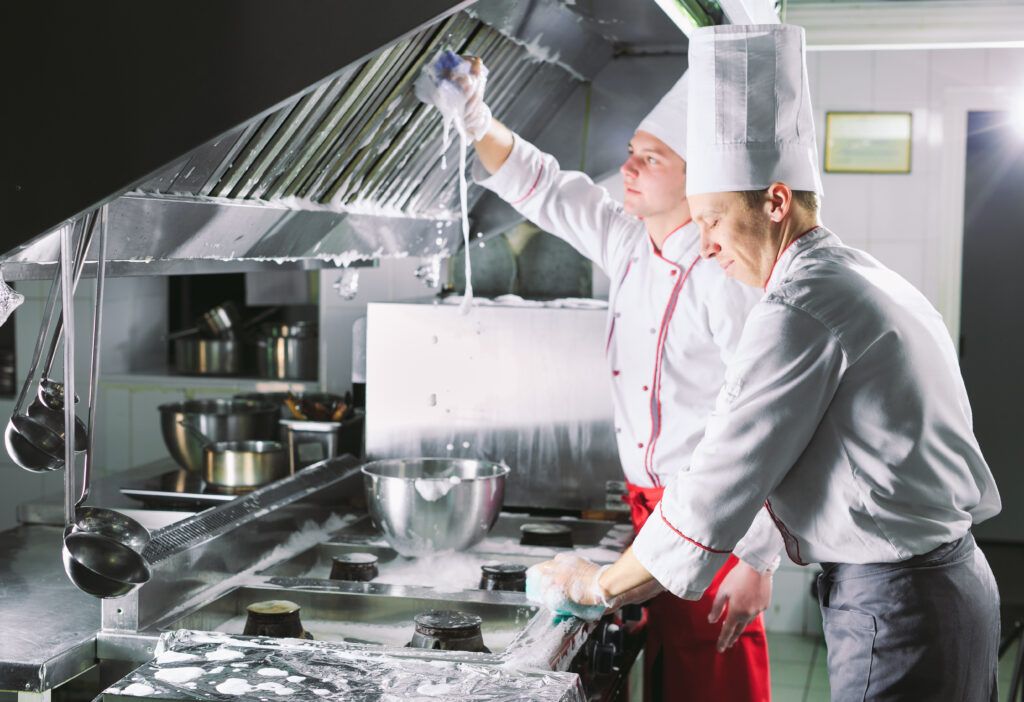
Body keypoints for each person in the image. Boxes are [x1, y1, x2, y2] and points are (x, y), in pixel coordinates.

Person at [531, 23, 1003, 702]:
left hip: (900, 602)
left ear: (776, 200)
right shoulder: (859, 275)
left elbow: (716, 488)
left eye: (715, 222)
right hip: (945, 587)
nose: (708, 245)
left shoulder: (798, 309)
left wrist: (594, 584)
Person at [419, 55, 779, 701]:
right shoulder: (629, 241)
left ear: (701, 181)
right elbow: (545, 187)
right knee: (672, 673)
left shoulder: (728, 276)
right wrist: (476, 118)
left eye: (652, 158)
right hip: (650, 510)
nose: (629, 168)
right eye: (632, 152)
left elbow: (766, 424)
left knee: (715, 677)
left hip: (714, 516)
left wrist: (757, 560)